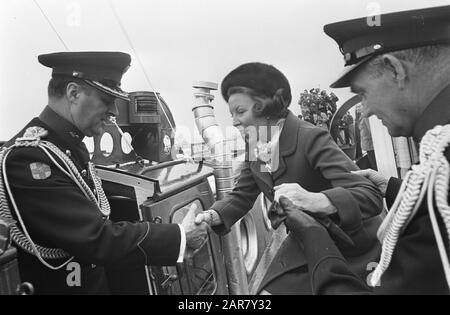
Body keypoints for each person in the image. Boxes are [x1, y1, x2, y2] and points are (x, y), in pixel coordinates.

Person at [0, 51, 208, 294]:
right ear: (73, 93)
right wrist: (180, 236)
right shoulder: (28, 158)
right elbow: (94, 238)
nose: (115, 113)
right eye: (106, 100)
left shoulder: (66, 148)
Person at [282, 5, 450, 294]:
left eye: (363, 93)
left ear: (396, 70)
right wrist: (393, 188)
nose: (367, 111)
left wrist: (314, 239)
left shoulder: (441, 169)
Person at [195, 62, 383, 294]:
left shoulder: (310, 137)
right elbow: (243, 195)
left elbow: (369, 195)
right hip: (305, 240)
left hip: (348, 245)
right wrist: (214, 214)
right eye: (231, 114)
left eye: (240, 112)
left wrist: (315, 200)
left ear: (268, 106)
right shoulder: (256, 143)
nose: (234, 121)